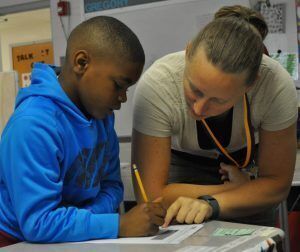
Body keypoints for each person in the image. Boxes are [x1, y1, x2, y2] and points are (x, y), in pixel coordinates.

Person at [0, 16, 166, 247]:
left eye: (127, 89)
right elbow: (38, 223)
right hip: (17, 241)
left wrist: (89, 218)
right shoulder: (33, 124)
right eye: (118, 85)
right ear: (81, 63)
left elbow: (112, 186)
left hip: (74, 235)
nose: (123, 98)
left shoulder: (101, 117)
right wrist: (117, 225)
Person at [131, 5, 297, 227]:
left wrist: (213, 203)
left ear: (252, 84)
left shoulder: (275, 85)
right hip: (184, 162)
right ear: (188, 52)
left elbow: (276, 186)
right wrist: (237, 189)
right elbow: (152, 198)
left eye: (219, 100)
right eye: (195, 90)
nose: (199, 109)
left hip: (245, 164)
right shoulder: (158, 84)